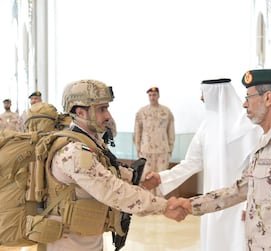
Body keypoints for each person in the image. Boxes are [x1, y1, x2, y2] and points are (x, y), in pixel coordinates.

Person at [175, 69, 271, 251]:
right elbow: (241, 189)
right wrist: (192, 205)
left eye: (249, 97)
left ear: (268, 98)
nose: (244, 104)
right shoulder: (265, 141)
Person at [45, 79, 187, 251]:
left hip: (87, 240)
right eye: (101, 109)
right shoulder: (74, 151)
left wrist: (140, 177)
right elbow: (113, 190)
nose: (108, 116)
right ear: (81, 112)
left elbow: (109, 168)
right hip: (68, 244)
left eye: (107, 108)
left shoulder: (90, 142)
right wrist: (164, 206)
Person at [143, 78, 262, 251]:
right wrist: (161, 177)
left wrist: (248, 204)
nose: (201, 98)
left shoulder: (250, 128)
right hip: (211, 201)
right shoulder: (206, 127)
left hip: (239, 203)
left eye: (204, 93)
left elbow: (256, 174)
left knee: (238, 242)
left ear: (217, 95)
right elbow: (191, 162)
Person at [133, 87, 175, 195]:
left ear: (158, 95)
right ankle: (148, 201)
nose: (152, 97)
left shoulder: (166, 112)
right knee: (146, 176)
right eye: (150, 95)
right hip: (146, 149)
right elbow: (137, 131)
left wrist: (170, 147)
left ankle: (160, 202)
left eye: (154, 95)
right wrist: (138, 147)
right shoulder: (142, 112)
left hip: (162, 149)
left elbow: (171, 130)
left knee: (161, 176)